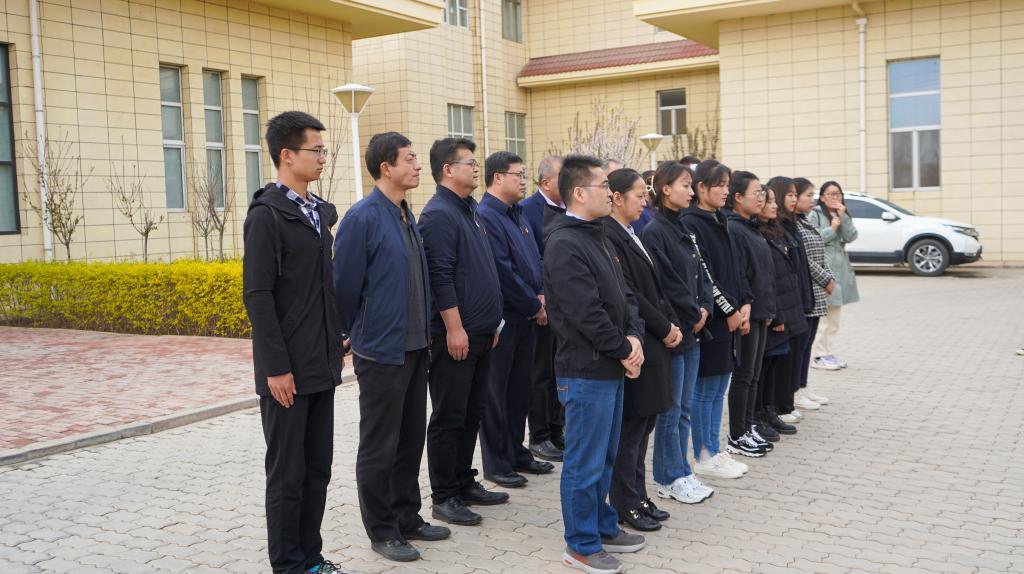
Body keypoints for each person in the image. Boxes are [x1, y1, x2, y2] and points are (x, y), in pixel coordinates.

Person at [333, 132, 449, 563]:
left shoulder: (404, 213)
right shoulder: (362, 217)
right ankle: (382, 529)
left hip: (415, 346)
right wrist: (352, 331)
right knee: (380, 444)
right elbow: (344, 286)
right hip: (381, 351)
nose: (418, 166)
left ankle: (407, 516)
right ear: (386, 167)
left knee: (409, 439)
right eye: (410, 158)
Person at [243, 111, 347, 574]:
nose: (323, 157)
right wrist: (275, 368)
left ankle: (311, 559)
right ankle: (287, 565)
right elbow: (258, 295)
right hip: (287, 372)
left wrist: (338, 337)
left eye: (324, 150)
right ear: (287, 155)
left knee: (317, 470)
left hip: (321, 364)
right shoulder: (267, 216)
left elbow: (321, 288)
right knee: (288, 475)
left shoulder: (316, 212)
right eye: (315, 150)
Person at [545, 154, 646, 574]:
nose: (610, 191)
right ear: (579, 193)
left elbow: (626, 296)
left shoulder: (599, 234)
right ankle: (581, 545)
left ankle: (603, 526)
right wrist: (624, 350)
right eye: (603, 185)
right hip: (585, 371)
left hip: (611, 364)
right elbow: (586, 313)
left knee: (605, 456)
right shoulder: (564, 243)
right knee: (584, 463)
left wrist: (635, 338)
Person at [418, 138, 508, 527]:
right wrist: (454, 328)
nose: (475, 168)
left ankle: (464, 481)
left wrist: (493, 323)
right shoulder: (439, 215)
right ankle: (444, 495)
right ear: (448, 170)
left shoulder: (469, 210)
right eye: (469, 162)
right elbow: (440, 277)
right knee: (449, 416)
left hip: (482, 334)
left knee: (472, 413)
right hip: (456, 337)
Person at [603, 168, 677, 532]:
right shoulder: (610, 235)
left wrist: (669, 323)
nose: (645, 200)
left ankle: (639, 494)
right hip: (639, 341)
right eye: (638, 194)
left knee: (645, 423)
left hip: (653, 340)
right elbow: (631, 294)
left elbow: (654, 289)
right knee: (631, 428)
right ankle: (625, 502)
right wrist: (664, 327)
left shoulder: (630, 232)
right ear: (617, 198)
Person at [477, 151, 555, 489]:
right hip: (505, 319)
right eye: (518, 175)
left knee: (519, 390)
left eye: (524, 175)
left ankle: (516, 451)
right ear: (498, 177)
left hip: (527, 314)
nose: (524, 181)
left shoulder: (516, 213)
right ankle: (497, 462)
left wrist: (541, 294)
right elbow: (502, 270)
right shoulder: (487, 215)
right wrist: (533, 303)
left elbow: (534, 259)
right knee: (497, 393)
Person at [642, 161, 715, 505]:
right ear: (666, 189)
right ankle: (667, 476)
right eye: (685, 185)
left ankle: (682, 470)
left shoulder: (684, 227)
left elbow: (702, 274)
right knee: (670, 411)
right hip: (675, 329)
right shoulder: (655, 231)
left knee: (684, 408)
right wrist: (692, 312)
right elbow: (667, 283)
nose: (691, 190)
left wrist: (706, 307)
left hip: (694, 329)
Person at [680, 159, 749, 480]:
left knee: (720, 387)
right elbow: (705, 274)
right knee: (705, 390)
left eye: (727, 185)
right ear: (701, 188)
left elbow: (735, 269)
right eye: (719, 185)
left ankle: (714, 448)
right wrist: (728, 310)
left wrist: (744, 305)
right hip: (713, 319)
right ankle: (704, 454)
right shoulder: (691, 223)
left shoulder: (721, 219)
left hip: (732, 316)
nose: (725, 191)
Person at [724, 171, 776, 457]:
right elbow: (740, 273)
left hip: (760, 310)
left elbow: (764, 273)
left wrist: (768, 308)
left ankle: (748, 426)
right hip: (747, 312)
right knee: (744, 375)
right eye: (756, 193)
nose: (761, 198)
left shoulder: (751, 227)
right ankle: (737, 434)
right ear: (737, 197)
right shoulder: (734, 228)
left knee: (753, 375)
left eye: (762, 193)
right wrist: (747, 304)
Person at [520, 155, 565, 461]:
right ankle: (539, 435)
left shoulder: (568, 209)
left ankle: (556, 429)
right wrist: (539, 297)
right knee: (541, 373)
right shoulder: (528, 209)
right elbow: (532, 258)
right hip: (542, 304)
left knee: (559, 369)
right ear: (546, 182)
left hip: (565, 304)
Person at [756, 181, 809, 434]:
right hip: (772, 312)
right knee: (764, 367)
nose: (774, 205)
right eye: (770, 201)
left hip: (785, 308)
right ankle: (760, 413)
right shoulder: (756, 233)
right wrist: (776, 313)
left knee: (775, 363)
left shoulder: (776, 231)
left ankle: (770, 409)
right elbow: (765, 279)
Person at [774, 177, 816, 419]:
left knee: (797, 352)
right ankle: (781, 405)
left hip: (799, 300)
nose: (793, 199)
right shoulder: (777, 227)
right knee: (784, 358)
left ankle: (787, 402)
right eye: (789, 195)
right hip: (787, 305)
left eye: (794, 194)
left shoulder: (791, 226)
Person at [807, 181, 859, 370]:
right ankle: (818, 355)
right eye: (831, 194)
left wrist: (843, 218)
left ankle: (826, 352)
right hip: (825, 266)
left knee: (834, 316)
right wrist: (832, 228)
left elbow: (851, 236)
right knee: (825, 315)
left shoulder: (841, 213)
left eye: (838, 193)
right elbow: (813, 239)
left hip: (841, 266)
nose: (836, 197)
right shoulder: (815, 214)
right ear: (822, 197)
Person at [792, 177, 835, 406]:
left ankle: (804, 385)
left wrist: (829, 277)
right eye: (807, 195)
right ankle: (794, 390)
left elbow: (820, 253)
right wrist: (825, 279)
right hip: (807, 290)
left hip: (817, 290)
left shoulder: (807, 221)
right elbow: (805, 261)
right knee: (800, 344)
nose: (812, 200)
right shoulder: (793, 225)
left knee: (808, 343)